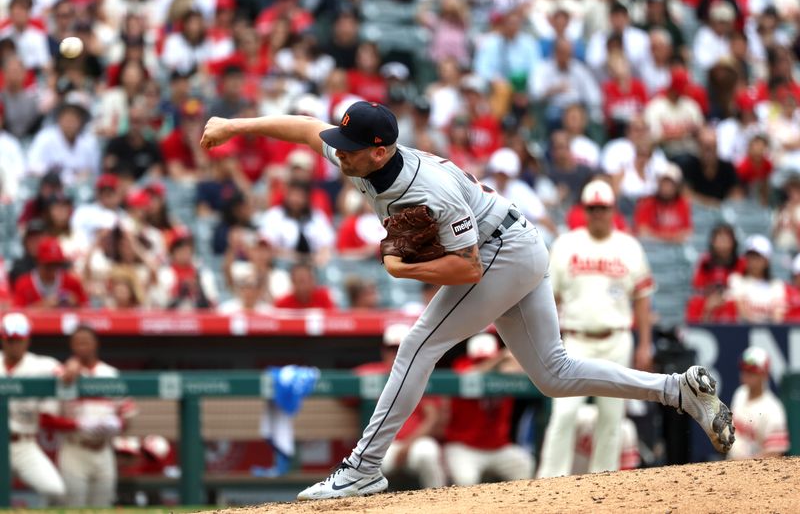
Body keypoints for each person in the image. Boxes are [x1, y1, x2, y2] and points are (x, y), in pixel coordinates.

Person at [200, 100, 735, 501]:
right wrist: (233, 126)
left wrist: (405, 267)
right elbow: (299, 127)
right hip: (513, 242)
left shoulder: (421, 191)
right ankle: (677, 391)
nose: (338, 152)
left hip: (500, 252)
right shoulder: (360, 153)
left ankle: (364, 466)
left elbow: (467, 267)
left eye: (349, 148)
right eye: (339, 143)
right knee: (553, 373)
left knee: (416, 345)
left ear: (380, 151)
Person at [537, 180, 654, 478]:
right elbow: (552, 298)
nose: (598, 213)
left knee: (611, 417)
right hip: (575, 340)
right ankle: (550, 480)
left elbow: (642, 299)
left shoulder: (629, 246)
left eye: (603, 208)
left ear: (613, 210)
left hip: (616, 339)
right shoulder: (566, 244)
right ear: (584, 210)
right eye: (593, 208)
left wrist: (644, 345)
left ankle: (604, 483)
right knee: (564, 413)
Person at [0, 312, 83, 504]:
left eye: (18, 340)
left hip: (23, 444)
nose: (14, 344)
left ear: (27, 339)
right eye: (10, 340)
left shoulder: (41, 364)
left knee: (56, 491)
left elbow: (68, 369)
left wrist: (73, 366)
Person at [354, 324, 446, 489]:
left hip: (416, 442)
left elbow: (432, 418)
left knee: (428, 453)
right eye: (391, 348)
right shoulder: (371, 372)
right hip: (382, 444)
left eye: (400, 348)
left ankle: (439, 504)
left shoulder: (421, 374)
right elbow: (345, 391)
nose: (395, 353)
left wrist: (407, 445)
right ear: (383, 351)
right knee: (370, 463)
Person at [59, 325, 137, 507]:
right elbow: (47, 418)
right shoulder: (63, 373)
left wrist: (116, 424)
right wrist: (78, 425)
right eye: (78, 343)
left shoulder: (110, 373)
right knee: (74, 507)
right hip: (75, 448)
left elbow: (127, 415)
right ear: (71, 346)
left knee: (103, 507)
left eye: (86, 342)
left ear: (96, 344)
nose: (82, 347)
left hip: (103, 450)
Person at [444, 333, 534, 485]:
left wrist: (513, 362)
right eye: (481, 360)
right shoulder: (462, 364)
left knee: (524, 464)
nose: (486, 364)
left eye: (487, 359)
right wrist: (499, 358)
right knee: (466, 480)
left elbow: (532, 374)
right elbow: (470, 374)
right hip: (464, 447)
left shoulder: (506, 370)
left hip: (498, 448)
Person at [727, 347, 790, 460]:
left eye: (752, 371)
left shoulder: (773, 408)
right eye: (744, 369)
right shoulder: (740, 393)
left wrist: (744, 463)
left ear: (764, 374)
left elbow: (775, 453)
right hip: (731, 465)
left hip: (756, 472)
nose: (746, 375)